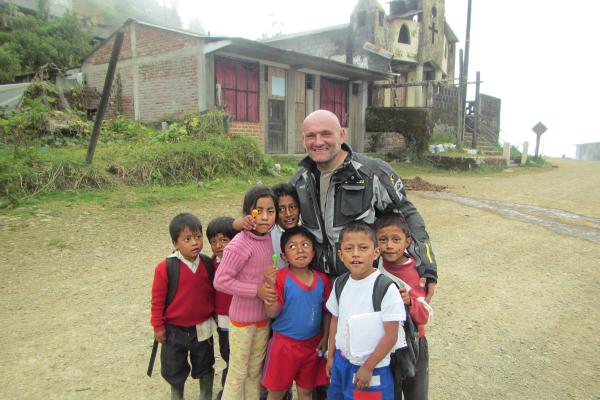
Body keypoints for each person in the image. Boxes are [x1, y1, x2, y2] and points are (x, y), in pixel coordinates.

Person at [291, 109, 438, 301]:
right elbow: (274, 219)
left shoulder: (373, 172)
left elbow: (407, 215)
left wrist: (426, 266)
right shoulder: (299, 180)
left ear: (342, 135)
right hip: (319, 283)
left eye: (326, 134)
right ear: (303, 140)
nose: (318, 142)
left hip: (365, 283)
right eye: (311, 136)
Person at [325, 222, 405, 400]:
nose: (355, 254)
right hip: (341, 362)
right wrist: (331, 357)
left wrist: (368, 366)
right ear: (340, 255)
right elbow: (335, 321)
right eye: (348, 248)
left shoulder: (385, 288)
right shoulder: (340, 283)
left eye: (363, 248)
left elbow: (391, 335)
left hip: (372, 368)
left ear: (376, 253)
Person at [213, 185, 279, 399]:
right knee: (237, 374)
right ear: (247, 213)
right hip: (242, 321)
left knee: (254, 373)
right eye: (258, 210)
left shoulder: (270, 239)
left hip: (262, 320)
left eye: (270, 211)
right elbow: (221, 281)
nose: (265, 217)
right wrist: (256, 291)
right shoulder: (240, 243)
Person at [150, 213, 215, 400]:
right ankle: (177, 394)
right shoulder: (166, 268)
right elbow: (158, 299)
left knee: (205, 363)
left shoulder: (207, 263)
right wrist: (158, 326)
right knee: (174, 367)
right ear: (175, 243)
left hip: (202, 327)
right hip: (174, 329)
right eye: (187, 239)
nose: (194, 242)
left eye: (197, 237)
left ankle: (206, 394)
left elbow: (214, 292)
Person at [261, 226, 331, 400]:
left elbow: (327, 312)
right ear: (284, 256)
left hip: (312, 345)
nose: (300, 250)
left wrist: (325, 337)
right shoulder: (280, 278)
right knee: (277, 392)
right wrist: (270, 290)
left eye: (305, 245)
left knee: (306, 391)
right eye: (292, 246)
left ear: (313, 252)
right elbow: (272, 313)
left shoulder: (322, 280)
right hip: (284, 346)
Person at [375, 214, 433, 400]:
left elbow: (424, 316)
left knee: (415, 393)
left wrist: (411, 301)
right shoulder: (375, 268)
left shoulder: (416, 271)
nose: (389, 245)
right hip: (386, 344)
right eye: (383, 240)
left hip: (413, 342)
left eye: (396, 239)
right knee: (389, 393)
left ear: (407, 241)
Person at [206, 216, 238, 399]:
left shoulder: (242, 262)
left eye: (224, 240)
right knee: (227, 353)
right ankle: (228, 390)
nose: (219, 245)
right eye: (213, 241)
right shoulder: (211, 264)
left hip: (243, 318)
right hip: (223, 321)